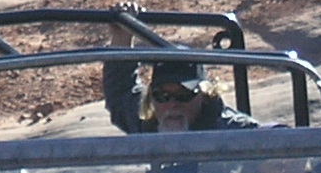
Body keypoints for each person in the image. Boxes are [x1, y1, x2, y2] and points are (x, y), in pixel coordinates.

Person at [103, 56, 258, 135]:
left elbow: (264, 138)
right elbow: (119, 91)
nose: (172, 104)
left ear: (205, 95)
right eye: (162, 95)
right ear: (151, 98)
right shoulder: (150, 125)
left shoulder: (230, 131)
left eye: (183, 95)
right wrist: (122, 35)